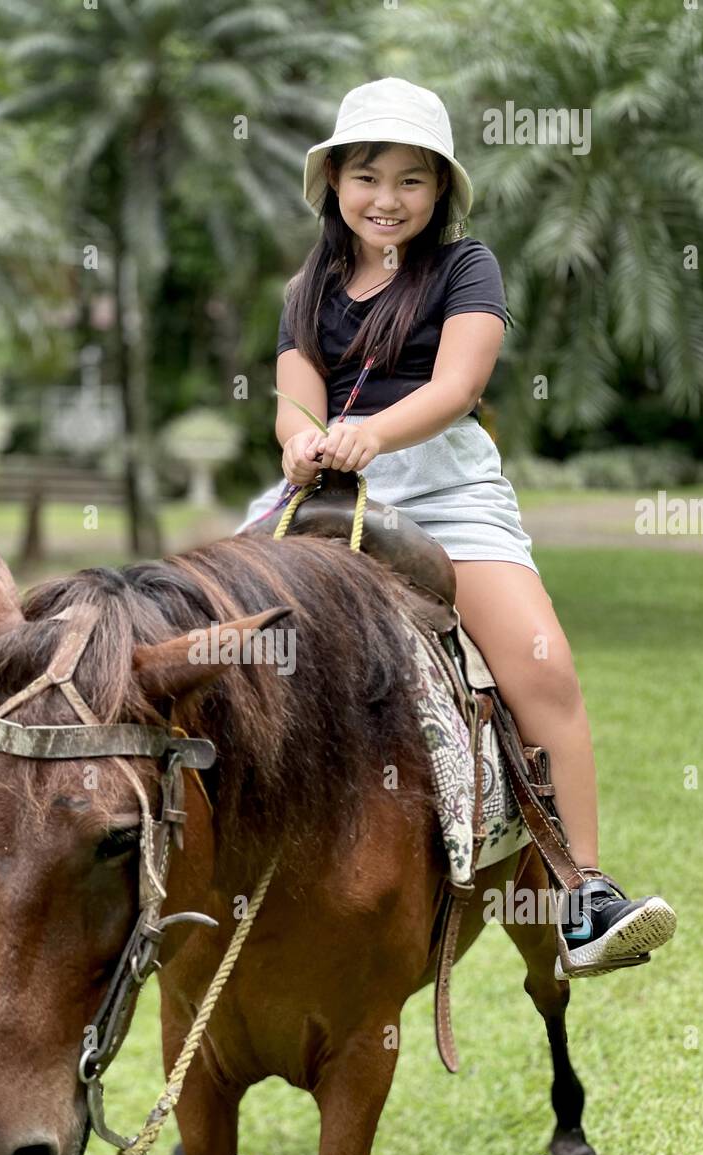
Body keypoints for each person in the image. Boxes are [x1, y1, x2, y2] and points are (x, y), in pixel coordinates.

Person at [236, 77, 676, 980]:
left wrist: (372, 435)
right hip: (323, 484)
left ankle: (583, 895)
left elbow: (456, 388)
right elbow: (294, 397)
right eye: (367, 176)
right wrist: (299, 444)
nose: (386, 200)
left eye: (411, 181)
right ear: (333, 183)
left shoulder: (464, 267)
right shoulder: (305, 285)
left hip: (441, 489)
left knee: (541, 662)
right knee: (216, 632)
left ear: (438, 192)